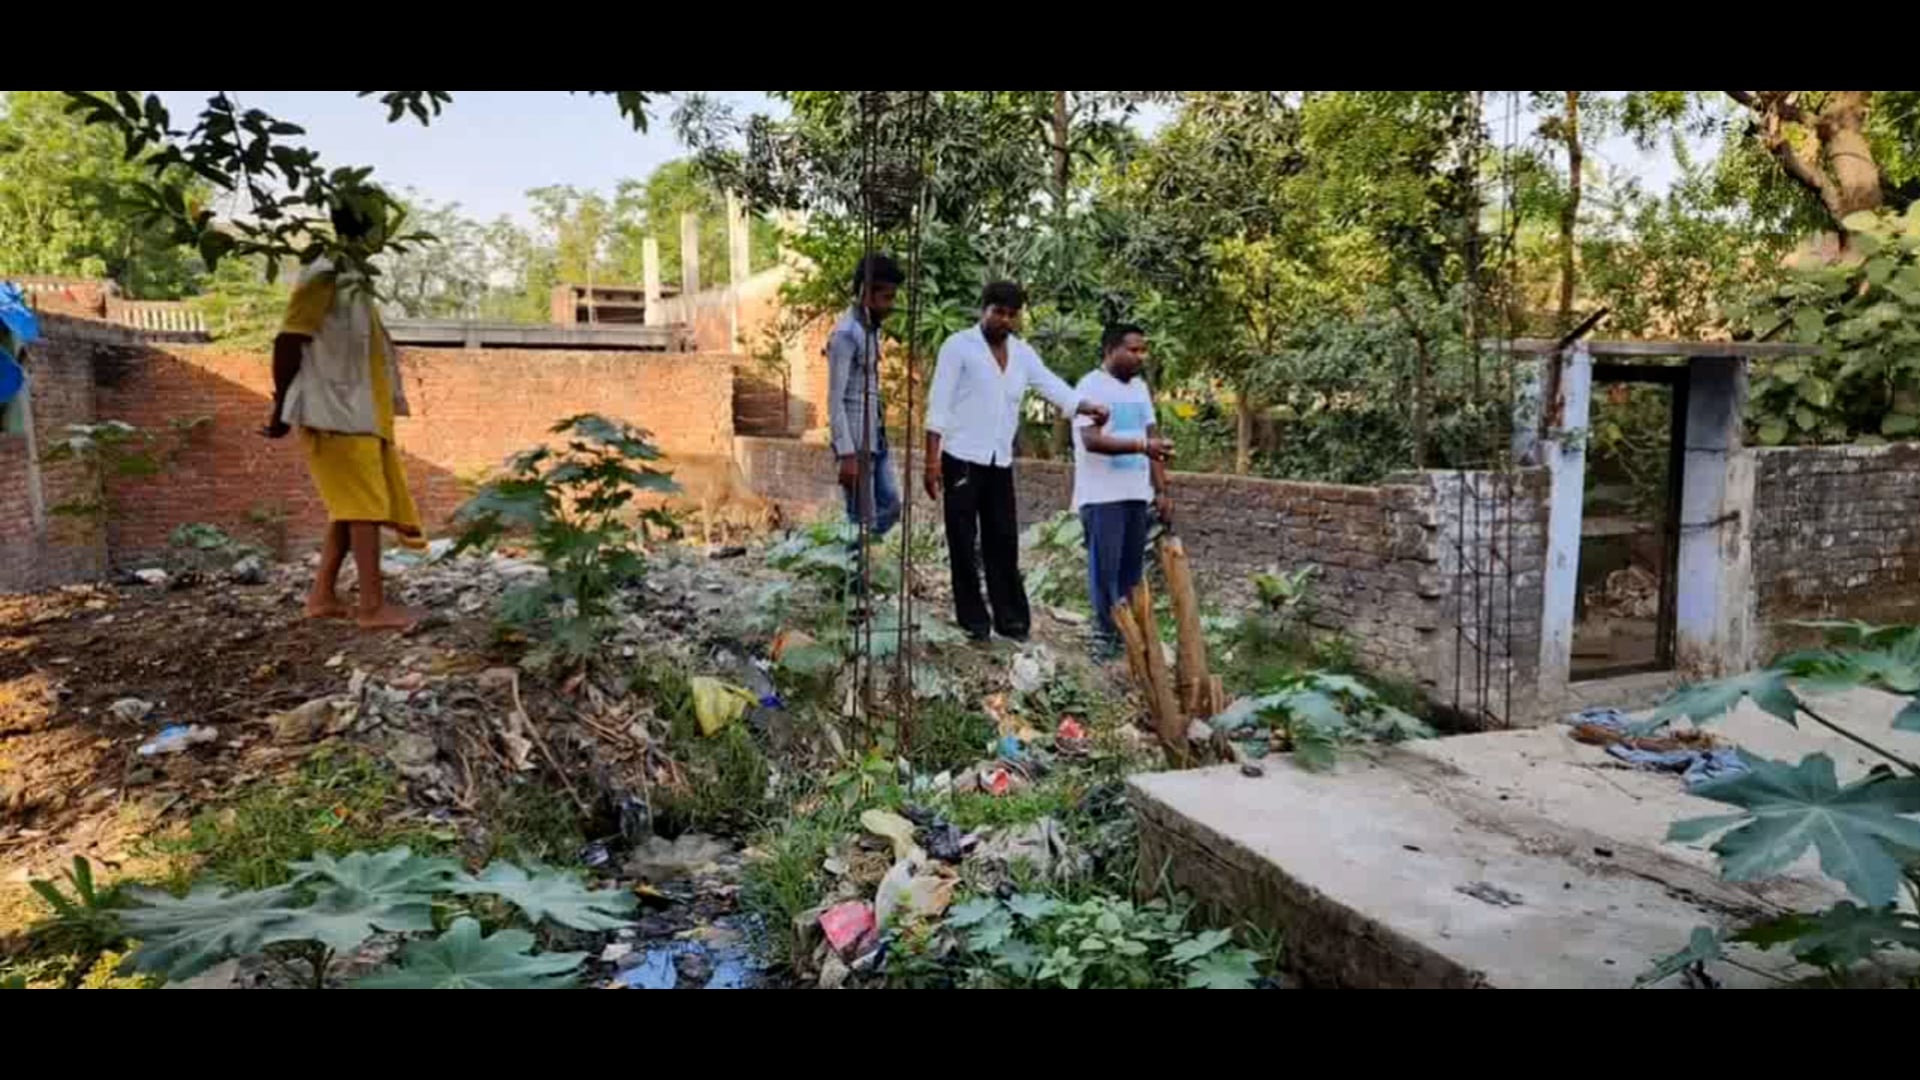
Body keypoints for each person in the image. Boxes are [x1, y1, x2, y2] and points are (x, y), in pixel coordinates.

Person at [263, 191, 427, 630]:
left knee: (351, 507)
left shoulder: (353, 276)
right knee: (365, 508)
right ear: (365, 225)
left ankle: (321, 597)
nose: (386, 230)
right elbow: (289, 339)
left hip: (358, 413)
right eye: (380, 221)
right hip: (335, 412)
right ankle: (372, 608)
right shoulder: (325, 271)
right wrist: (280, 408)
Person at [924, 281, 1109, 642]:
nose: (1005, 320)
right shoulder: (958, 347)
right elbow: (939, 403)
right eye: (998, 312)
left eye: (1012, 314)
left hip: (999, 461)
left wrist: (1086, 406)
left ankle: (1011, 621)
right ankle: (973, 621)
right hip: (961, 458)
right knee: (963, 540)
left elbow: (1050, 385)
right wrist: (932, 461)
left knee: (1004, 539)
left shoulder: (1022, 354)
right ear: (984, 309)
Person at [1073, 324, 1173, 657]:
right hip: (1102, 496)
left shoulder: (1140, 389)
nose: (1140, 356)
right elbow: (1091, 440)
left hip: (1136, 494)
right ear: (1110, 350)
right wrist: (1142, 446)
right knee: (1106, 571)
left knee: (1131, 571)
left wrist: (1161, 490)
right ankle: (1104, 635)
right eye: (1133, 350)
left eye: (1143, 350)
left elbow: (1153, 437)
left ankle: (1129, 636)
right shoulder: (1090, 387)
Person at [827, 254, 906, 542]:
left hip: (874, 437)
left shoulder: (869, 329)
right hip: (855, 443)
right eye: (886, 297)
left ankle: (854, 553)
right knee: (863, 522)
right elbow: (835, 399)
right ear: (865, 293)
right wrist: (846, 453)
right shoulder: (846, 334)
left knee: (891, 507)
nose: (891, 305)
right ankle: (851, 562)